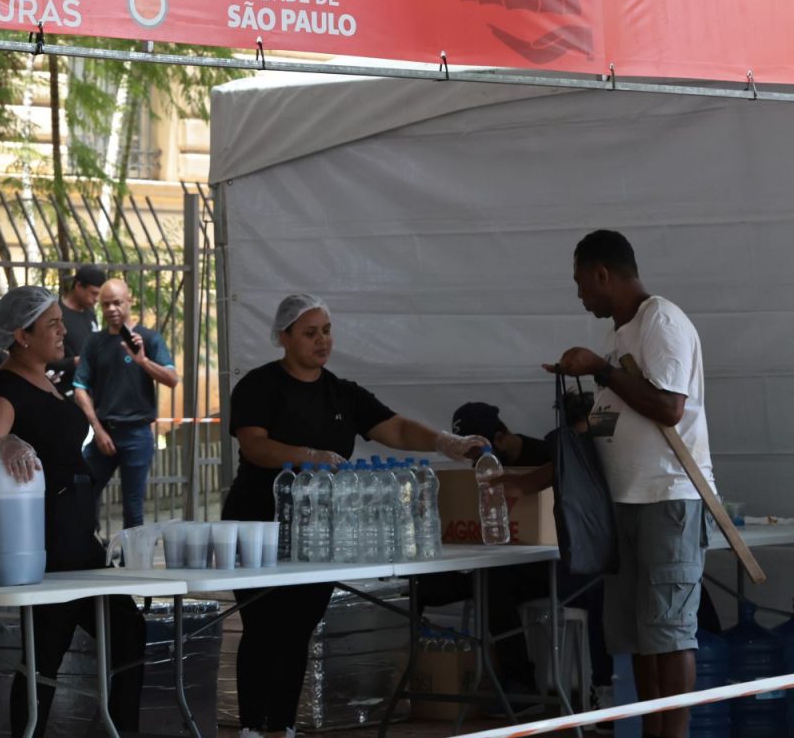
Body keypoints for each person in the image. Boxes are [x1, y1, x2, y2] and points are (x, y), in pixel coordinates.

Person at [224, 295, 488, 738]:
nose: (322, 340)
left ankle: (283, 726)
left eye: (326, 330)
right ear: (284, 337)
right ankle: (252, 727)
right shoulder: (259, 385)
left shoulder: (341, 392)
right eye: (310, 333)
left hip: (319, 531)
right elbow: (254, 444)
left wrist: (446, 442)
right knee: (264, 626)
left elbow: (396, 428)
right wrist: (308, 457)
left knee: (299, 628)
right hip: (259, 524)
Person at [501, 230, 712, 738]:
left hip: (668, 501)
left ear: (602, 274)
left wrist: (602, 371)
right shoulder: (617, 340)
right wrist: (531, 480)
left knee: (669, 633)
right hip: (625, 504)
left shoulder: (660, 320)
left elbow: (669, 406)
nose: (579, 296)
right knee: (640, 637)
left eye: (580, 283)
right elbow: (604, 431)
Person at [0, 286, 146, 738]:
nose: (62, 331)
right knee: (45, 653)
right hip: (45, 546)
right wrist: (4, 443)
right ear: (21, 335)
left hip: (78, 543)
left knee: (126, 631)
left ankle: (119, 728)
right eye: (51, 324)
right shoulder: (6, 385)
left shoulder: (47, 379)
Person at [73, 278, 179, 529]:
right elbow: (79, 388)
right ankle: (89, 547)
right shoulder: (95, 342)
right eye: (106, 304)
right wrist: (97, 430)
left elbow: (172, 379)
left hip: (137, 433)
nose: (112, 309)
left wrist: (143, 361)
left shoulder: (148, 339)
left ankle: (133, 560)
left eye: (117, 303)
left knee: (132, 505)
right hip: (104, 432)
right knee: (83, 490)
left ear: (129, 301)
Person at [48, 264, 104, 396]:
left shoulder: (90, 314)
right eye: (94, 293)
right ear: (78, 286)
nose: (96, 299)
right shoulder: (56, 313)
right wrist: (74, 362)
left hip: (89, 391)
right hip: (63, 392)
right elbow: (43, 358)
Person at [451, 400, 554, 467]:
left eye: (480, 458)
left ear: (499, 439)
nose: (476, 466)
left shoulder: (551, 461)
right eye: (472, 460)